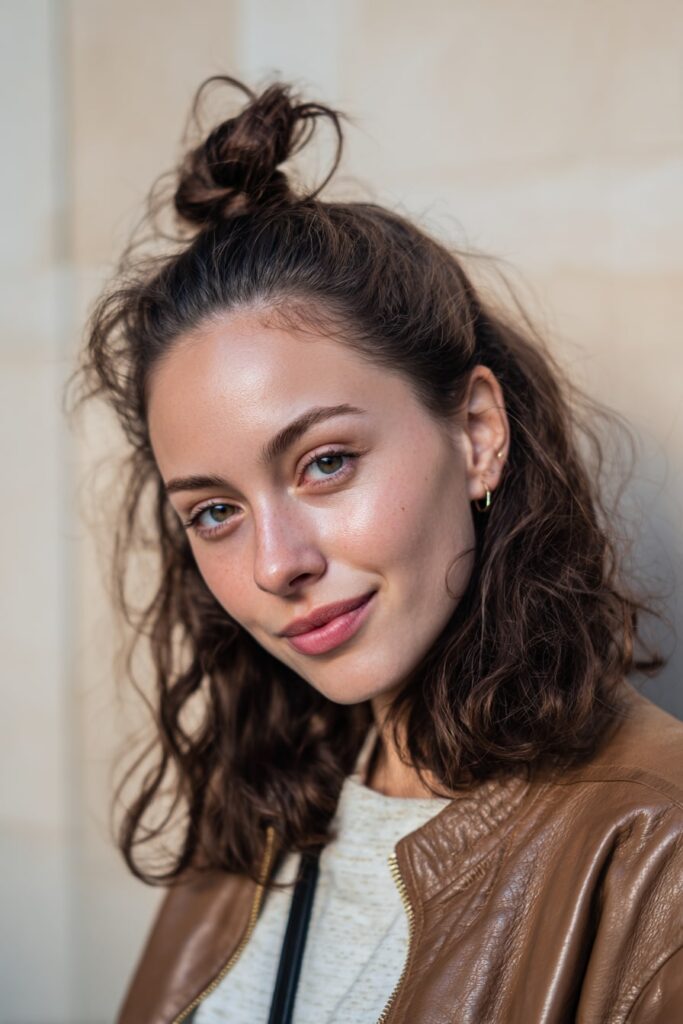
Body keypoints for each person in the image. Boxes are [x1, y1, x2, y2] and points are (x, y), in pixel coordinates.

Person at [68, 74, 683, 1024]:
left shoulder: (654, 844)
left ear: (476, 431)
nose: (277, 565)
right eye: (215, 512)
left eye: (323, 463)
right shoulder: (262, 807)